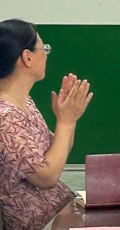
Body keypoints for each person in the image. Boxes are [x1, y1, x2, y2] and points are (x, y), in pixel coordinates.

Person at [0, 19, 93, 230]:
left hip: (62, 210)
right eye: (45, 49)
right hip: (41, 222)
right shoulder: (5, 117)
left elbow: (57, 154)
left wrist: (68, 118)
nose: (46, 55)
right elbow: (47, 177)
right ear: (27, 57)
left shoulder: (25, 102)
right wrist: (65, 122)